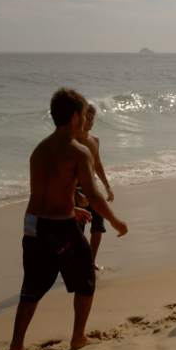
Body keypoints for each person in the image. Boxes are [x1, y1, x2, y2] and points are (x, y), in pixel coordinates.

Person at [7, 88, 128, 350]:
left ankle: (16, 347)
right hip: (58, 228)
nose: (86, 121)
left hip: (32, 223)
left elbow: (42, 192)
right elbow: (94, 195)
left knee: (32, 286)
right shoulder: (78, 150)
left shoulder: (40, 149)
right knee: (86, 275)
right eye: (85, 115)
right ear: (75, 117)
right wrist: (115, 220)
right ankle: (78, 337)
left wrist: (72, 207)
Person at [74, 104, 114, 271]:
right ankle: (77, 263)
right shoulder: (72, 141)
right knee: (79, 230)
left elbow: (97, 165)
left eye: (92, 118)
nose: (89, 121)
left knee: (98, 226)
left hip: (93, 188)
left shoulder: (94, 140)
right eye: (87, 118)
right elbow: (65, 172)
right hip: (76, 189)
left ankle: (91, 262)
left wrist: (107, 186)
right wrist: (76, 193)